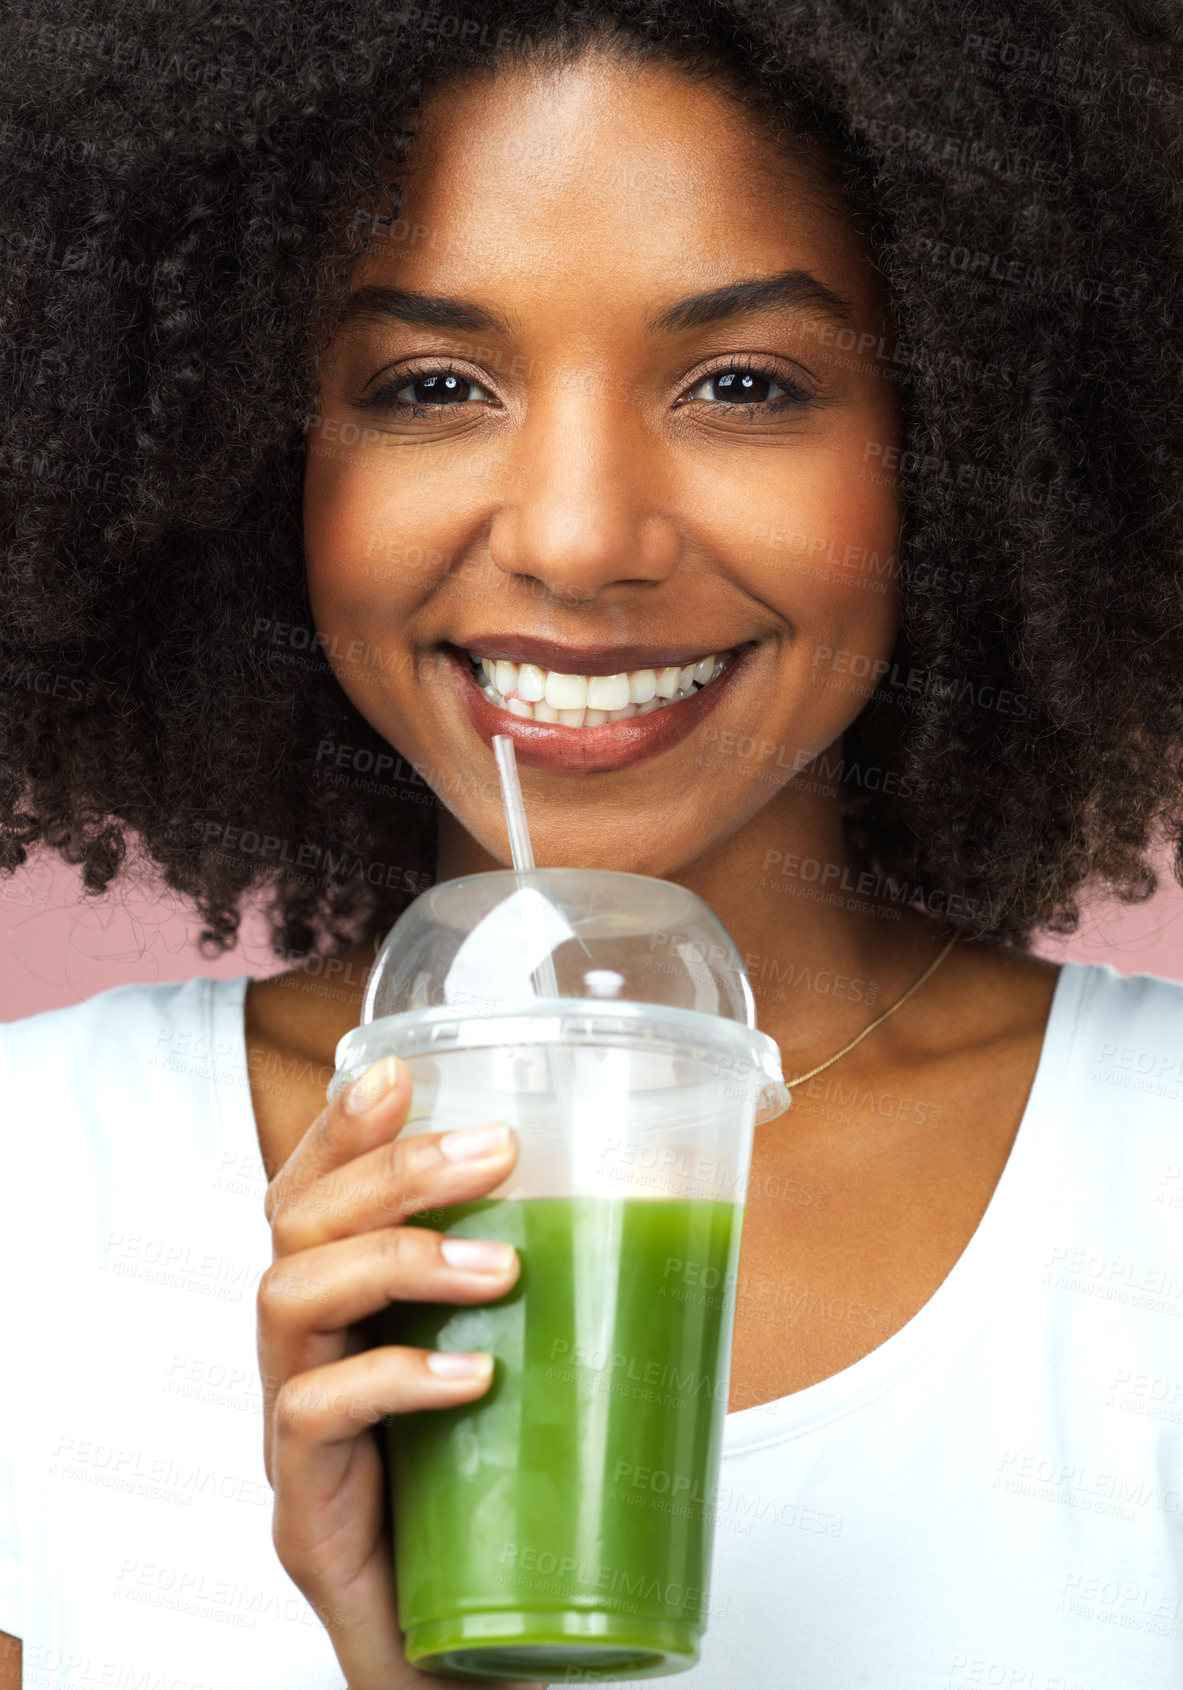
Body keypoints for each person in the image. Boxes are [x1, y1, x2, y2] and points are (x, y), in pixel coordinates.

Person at [2, 0, 1182, 1684]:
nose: (576, 537)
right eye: (433, 385)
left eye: (743, 383)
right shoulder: (31, 1192)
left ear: (981, 441)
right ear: (257, 456)